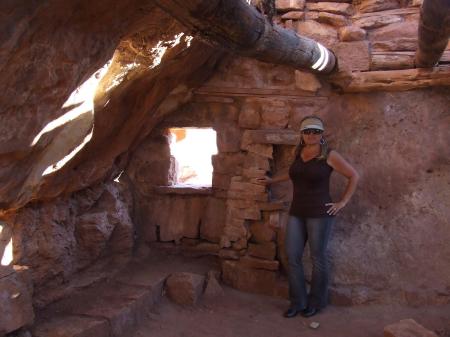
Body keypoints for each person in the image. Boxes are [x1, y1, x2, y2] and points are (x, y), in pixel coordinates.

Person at [258, 115, 359, 318]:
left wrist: (342, 203)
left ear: (322, 134)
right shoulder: (299, 152)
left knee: (317, 258)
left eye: (315, 131)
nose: (311, 135)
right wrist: (272, 181)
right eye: (307, 131)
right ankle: (298, 302)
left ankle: (316, 302)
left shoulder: (329, 155)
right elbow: (294, 173)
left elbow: (353, 175)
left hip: (320, 214)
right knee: (292, 256)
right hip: (297, 212)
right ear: (302, 134)